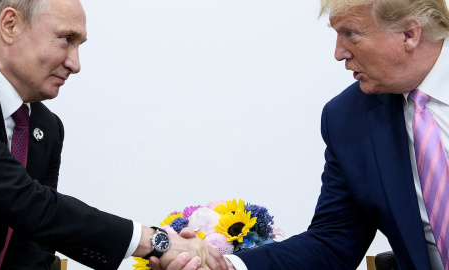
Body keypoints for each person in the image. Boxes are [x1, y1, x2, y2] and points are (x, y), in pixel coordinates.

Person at [152, 0, 449, 269]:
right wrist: (226, 266)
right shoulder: (348, 118)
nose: (338, 53)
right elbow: (332, 243)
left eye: (351, 34)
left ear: (410, 34)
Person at [0, 0, 228, 269]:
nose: (75, 63)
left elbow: (34, 242)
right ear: (10, 25)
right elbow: (25, 201)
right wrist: (155, 242)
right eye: (66, 39)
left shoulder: (46, 127)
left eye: (79, 45)